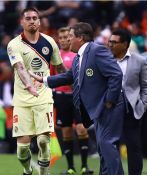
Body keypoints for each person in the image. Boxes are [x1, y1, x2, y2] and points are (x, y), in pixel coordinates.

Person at [30, 22, 124, 175]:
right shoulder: (79, 57)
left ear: (80, 38)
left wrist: (109, 100)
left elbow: (116, 74)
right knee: (103, 146)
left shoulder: (97, 50)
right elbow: (69, 76)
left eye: (71, 37)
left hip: (109, 107)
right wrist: (43, 80)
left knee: (107, 144)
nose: (68, 40)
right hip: (99, 108)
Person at [7, 7, 64, 175]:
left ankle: (44, 173)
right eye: (28, 18)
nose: (32, 20)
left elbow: (60, 68)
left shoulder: (50, 42)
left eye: (34, 18)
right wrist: (30, 86)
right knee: (22, 149)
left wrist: (76, 81)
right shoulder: (14, 45)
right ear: (22, 22)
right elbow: (20, 67)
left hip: (44, 97)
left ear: (39, 21)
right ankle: (27, 170)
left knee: (44, 141)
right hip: (22, 101)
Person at [108, 29, 147, 175]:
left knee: (134, 145)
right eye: (110, 41)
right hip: (110, 107)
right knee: (109, 145)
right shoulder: (105, 59)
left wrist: (143, 105)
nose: (110, 44)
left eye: (114, 42)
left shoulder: (139, 60)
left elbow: (146, 86)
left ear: (125, 44)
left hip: (131, 107)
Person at [53, 27, 93, 175]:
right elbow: (51, 78)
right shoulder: (55, 56)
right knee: (66, 131)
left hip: (77, 96)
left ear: (71, 38)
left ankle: (84, 166)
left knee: (81, 128)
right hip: (61, 97)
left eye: (66, 37)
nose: (64, 40)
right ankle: (70, 167)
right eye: (61, 37)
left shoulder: (78, 54)